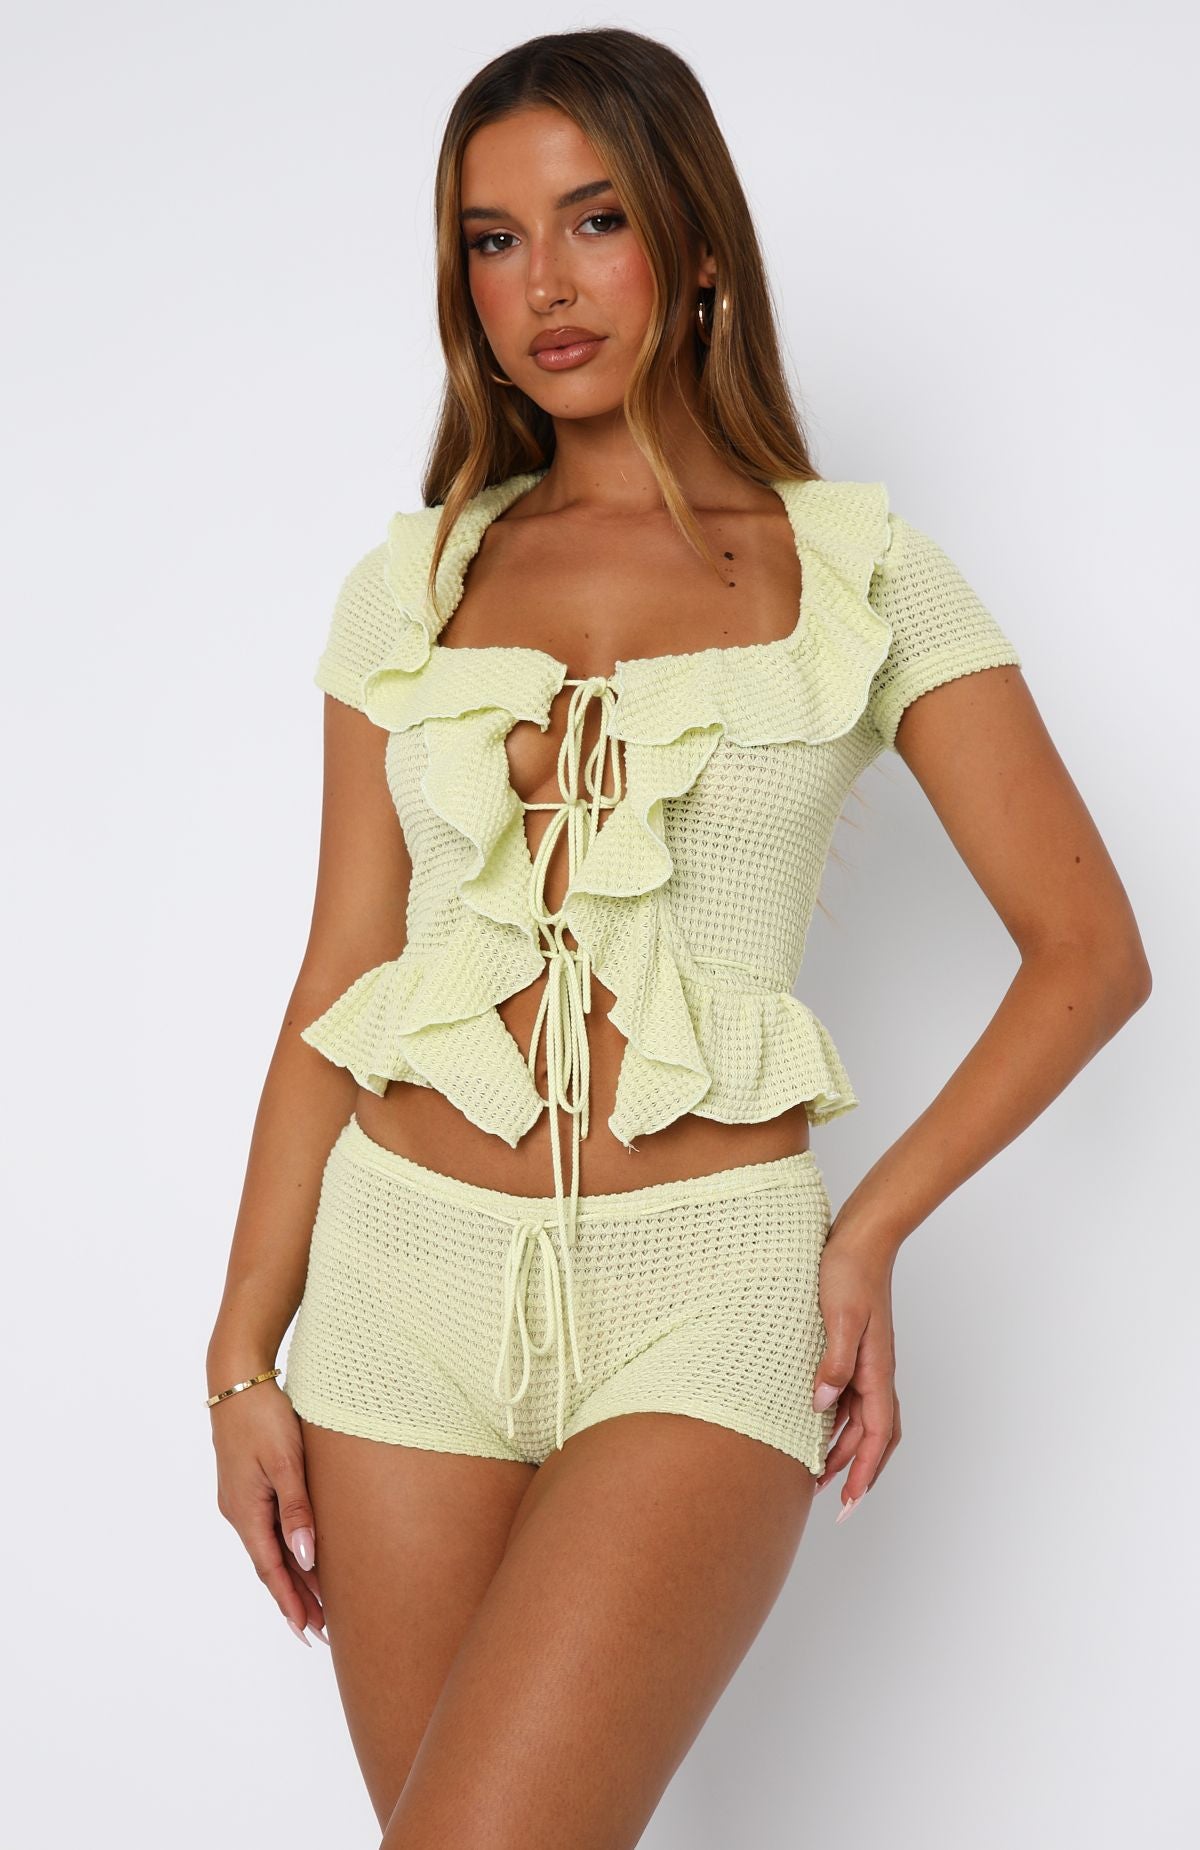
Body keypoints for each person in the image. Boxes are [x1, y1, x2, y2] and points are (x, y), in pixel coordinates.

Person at [205, 27, 1152, 1847]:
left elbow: (1088, 949)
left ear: (697, 245)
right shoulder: (411, 587)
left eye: (595, 221)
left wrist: (869, 1230)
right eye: (492, 241)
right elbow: (339, 975)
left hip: (708, 1294)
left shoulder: (860, 573)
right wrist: (243, 1351)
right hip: (397, 1288)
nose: (544, 286)